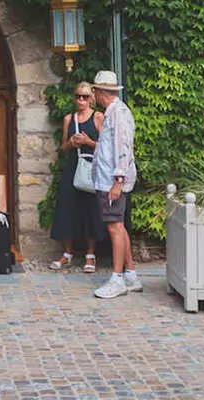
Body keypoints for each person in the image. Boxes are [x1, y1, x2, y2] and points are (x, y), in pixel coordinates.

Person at [89, 70, 141, 299]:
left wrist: (118, 181)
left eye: (94, 91)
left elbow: (123, 147)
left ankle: (117, 278)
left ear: (100, 92)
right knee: (118, 225)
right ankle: (130, 275)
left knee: (114, 227)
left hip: (112, 180)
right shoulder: (113, 112)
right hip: (107, 179)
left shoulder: (117, 113)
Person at [48, 81, 106, 273]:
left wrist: (88, 141)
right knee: (67, 207)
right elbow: (63, 148)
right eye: (78, 96)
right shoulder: (69, 119)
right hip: (73, 167)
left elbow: (106, 147)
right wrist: (72, 143)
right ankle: (67, 252)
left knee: (90, 208)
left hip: (91, 167)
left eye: (85, 96)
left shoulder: (98, 117)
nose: (81, 100)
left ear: (91, 99)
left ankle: (90, 254)